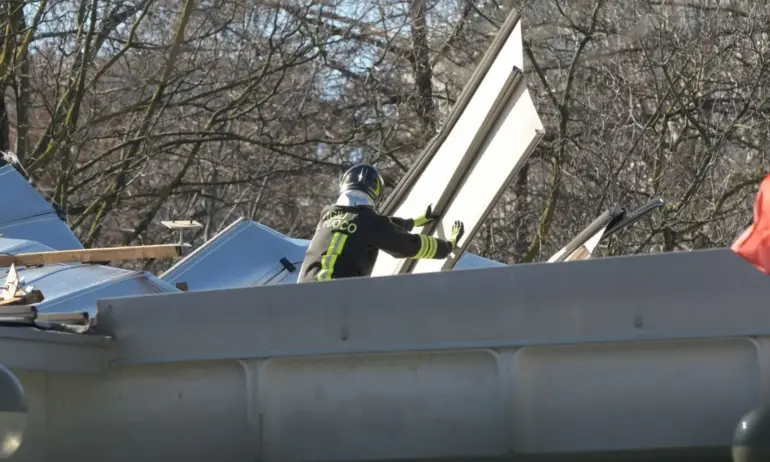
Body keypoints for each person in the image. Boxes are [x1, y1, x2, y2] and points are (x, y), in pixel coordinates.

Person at [298, 163, 465, 283]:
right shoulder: (369, 223)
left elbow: (364, 228)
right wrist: (447, 247)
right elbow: (406, 244)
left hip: (304, 293)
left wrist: (413, 222)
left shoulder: (328, 215)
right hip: (338, 297)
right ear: (375, 192)